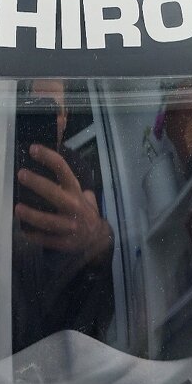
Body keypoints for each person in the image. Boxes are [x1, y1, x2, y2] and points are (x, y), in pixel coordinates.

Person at [11, 79, 115, 351]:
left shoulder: (77, 166)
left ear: (66, 117)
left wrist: (95, 234)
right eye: (35, 108)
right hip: (7, 304)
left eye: (53, 110)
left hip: (62, 311)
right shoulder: (4, 157)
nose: (46, 118)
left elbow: (95, 234)